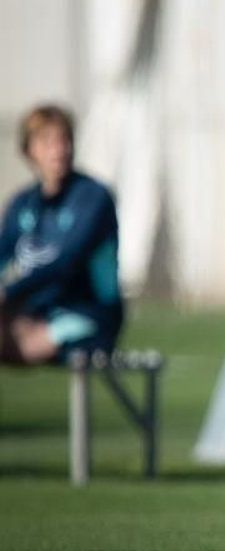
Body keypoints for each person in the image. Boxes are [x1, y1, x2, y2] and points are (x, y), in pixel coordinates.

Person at [1, 104, 123, 365]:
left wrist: (9, 292)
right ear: (28, 149)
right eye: (47, 142)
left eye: (64, 140)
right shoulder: (22, 204)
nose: (58, 150)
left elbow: (66, 260)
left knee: (23, 340)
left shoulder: (93, 197)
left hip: (89, 316)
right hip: (36, 312)